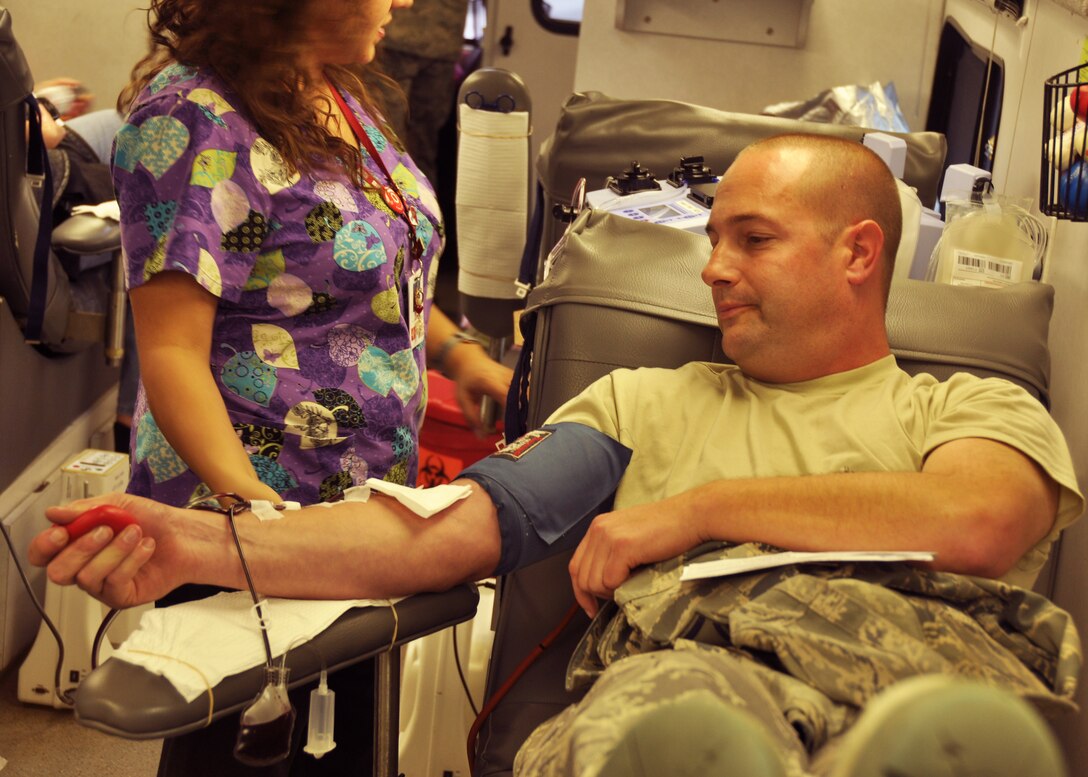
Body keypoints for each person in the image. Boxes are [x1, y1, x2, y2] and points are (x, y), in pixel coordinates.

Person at [31, 135, 1083, 776]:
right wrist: (200, 545)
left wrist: (692, 510)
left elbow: (975, 524)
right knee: (669, 720)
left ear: (857, 251)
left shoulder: (966, 408)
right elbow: (442, 535)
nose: (712, 268)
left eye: (750, 240)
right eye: (709, 238)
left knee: (945, 729)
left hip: (916, 672)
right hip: (707, 683)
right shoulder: (642, 402)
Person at [101, 0, 510, 773]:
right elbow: (172, 353)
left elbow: (379, 262)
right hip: (250, 508)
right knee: (240, 752)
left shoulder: (338, 92)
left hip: (356, 514)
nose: (403, 3)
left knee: (342, 739)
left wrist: (461, 355)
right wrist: (257, 521)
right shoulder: (192, 120)